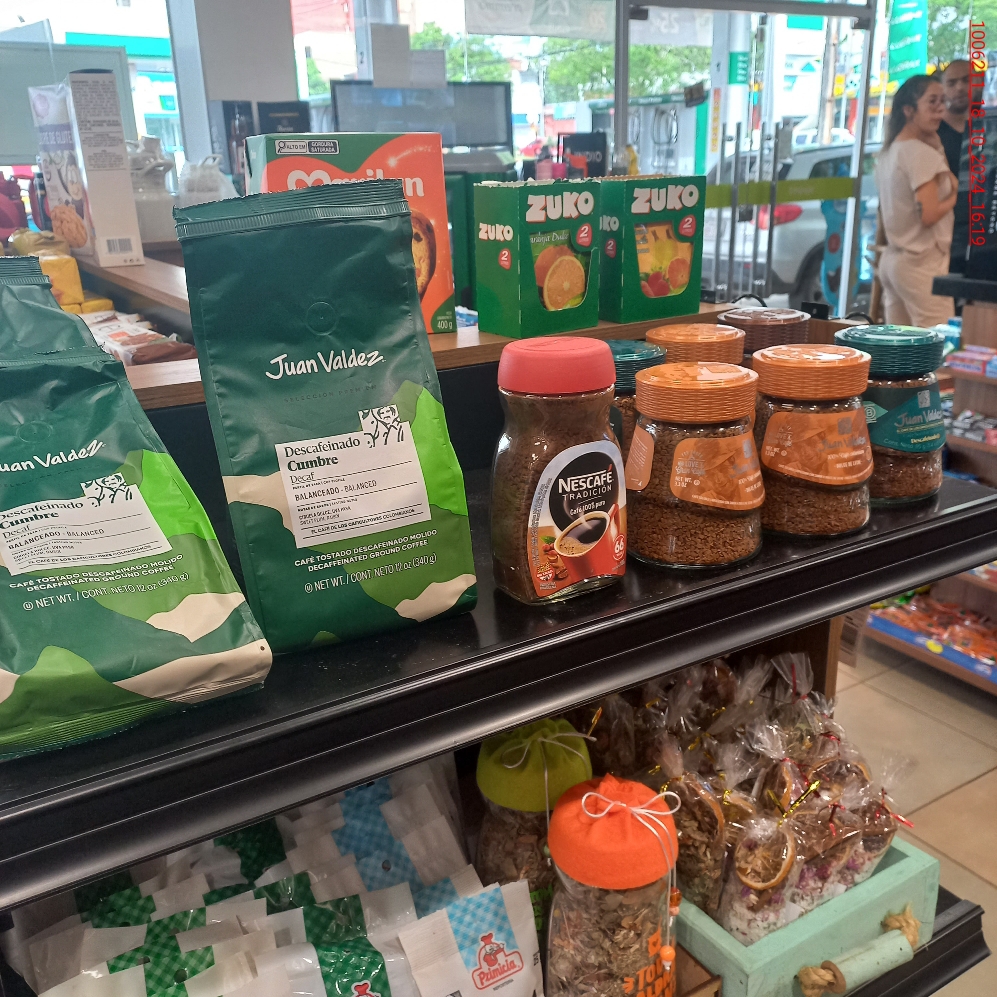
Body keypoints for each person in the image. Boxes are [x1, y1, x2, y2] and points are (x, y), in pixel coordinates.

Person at [875, 75, 958, 326]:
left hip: (894, 259)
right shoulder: (918, 153)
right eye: (932, 101)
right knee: (938, 340)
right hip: (922, 262)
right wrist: (955, 196)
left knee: (898, 343)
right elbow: (929, 214)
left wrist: (938, 148)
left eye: (942, 101)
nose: (940, 109)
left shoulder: (890, 151)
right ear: (908, 109)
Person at [938, 59, 971, 273]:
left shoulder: (988, 127)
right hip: (942, 237)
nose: (959, 87)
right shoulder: (932, 132)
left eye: (966, 80)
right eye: (951, 83)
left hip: (983, 237)